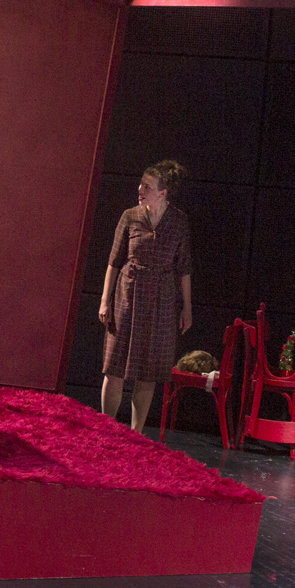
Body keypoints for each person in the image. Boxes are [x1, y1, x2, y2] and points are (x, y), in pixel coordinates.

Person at [99, 159, 194, 432]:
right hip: (128, 295)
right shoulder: (130, 216)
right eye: (141, 184)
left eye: (147, 187)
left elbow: (184, 268)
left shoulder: (178, 222)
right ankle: (107, 429)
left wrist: (187, 308)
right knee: (115, 366)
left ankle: (136, 435)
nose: (140, 190)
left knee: (148, 371)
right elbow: (114, 261)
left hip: (161, 300)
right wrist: (105, 300)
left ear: (163, 193)